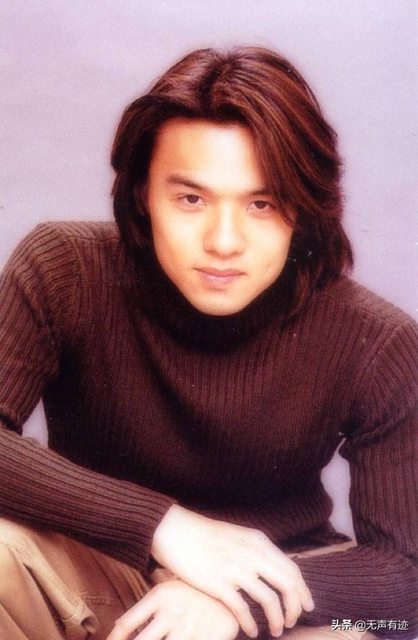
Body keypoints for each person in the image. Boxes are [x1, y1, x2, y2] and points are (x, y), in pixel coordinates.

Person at [0, 46, 416, 640]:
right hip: (98, 568)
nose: (224, 242)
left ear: (303, 212)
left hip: (285, 589)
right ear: (142, 194)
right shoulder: (63, 269)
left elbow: (407, 584)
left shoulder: (378, 342)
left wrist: (236, 600)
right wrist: (163, 526)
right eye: (191, 199)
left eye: (262, 204)